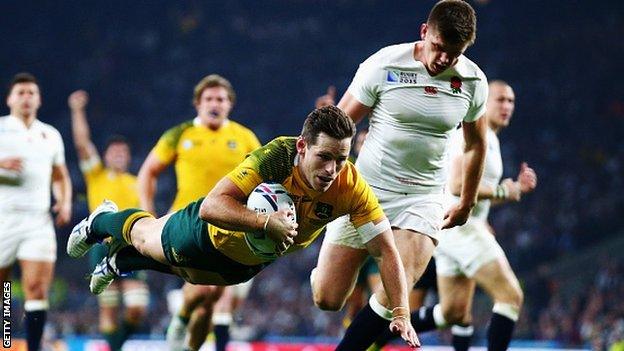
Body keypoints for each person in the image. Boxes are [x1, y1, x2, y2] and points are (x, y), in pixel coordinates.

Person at [67, 105, 419, 349]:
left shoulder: (351, 186)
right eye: (323, 157)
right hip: (206, 232)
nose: (332, 169)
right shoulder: (277, 157)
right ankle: (102, 220)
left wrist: (401, 312)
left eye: (340, 160)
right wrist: (265, 222)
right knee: (146, 238)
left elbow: (386, 249)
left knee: (191, 278)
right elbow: (211, 206)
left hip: (247, 262)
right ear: (302, 147)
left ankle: (118, 263)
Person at [310, 1, 489, 349]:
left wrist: (466, 202)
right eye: (438, 48)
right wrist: (316, 175)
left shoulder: (471, 81)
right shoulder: (384, 64)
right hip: (365, 191)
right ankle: (320, 276)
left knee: (399, 292)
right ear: (424, 32)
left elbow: (475, 146)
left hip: (423, 198)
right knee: (328, 299)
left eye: (454, 53)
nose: (443, 60)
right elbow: (341, 123)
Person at [379, 80, 537, 351]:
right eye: (500, 99)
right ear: (484, 103)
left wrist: (513, 191)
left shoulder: (490, 137)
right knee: (510, 296)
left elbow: (469, 194)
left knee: (453, 312)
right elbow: (456, 185)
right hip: (461, 228)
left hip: (453, 229)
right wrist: (504, 190)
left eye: (511, 101)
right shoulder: (476, 134)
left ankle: (378, 334)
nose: (507, 106)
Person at [137, 74, 261, 351]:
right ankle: (180, 319)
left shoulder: (244, 137)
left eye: (221, 99)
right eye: (209, 99)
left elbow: (264, 177)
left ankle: (188, 343)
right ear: (197, 104)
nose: (214, 104)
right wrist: (147, 211)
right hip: (186, 222)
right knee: (205, 290)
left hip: (228, 225)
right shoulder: (180, 134)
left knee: (210, 302)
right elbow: (148, 172)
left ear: (230, 104)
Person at [68, 90, 149, 351]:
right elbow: (82, 145)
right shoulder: (96, 175)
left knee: (137, 307)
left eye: (122, 152)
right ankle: (115, 348)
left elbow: (148, 213)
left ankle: (117, 345)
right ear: (105, 156)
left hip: (131, 244)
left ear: (128, 157)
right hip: (101, 245)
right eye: (114, 151)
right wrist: (77, 110)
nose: (118, 155)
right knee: (109, 309)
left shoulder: (137, 183)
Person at [0, 73, 72, 351]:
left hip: (38, 221)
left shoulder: (50, 134)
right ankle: (5, 341)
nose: (26, 97)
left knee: (37, 290)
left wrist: (63, 201)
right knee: (4, 288)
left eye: (32, 92)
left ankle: (32, 348)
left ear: (39, 99)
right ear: (9, 99)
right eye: (21, 92)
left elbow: (60, 175)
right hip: (3, 217)